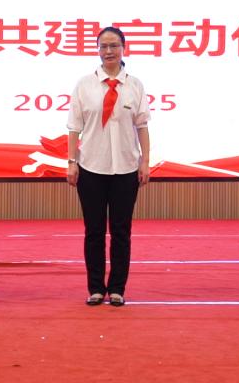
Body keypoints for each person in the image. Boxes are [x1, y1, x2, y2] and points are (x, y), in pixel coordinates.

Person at [66, 27, 151, 307]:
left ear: (124, 48)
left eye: (114, 45)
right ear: (97, 50)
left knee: (121, 231)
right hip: (91, 166)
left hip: (126, 168)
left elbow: (142, 126)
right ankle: (95, 288)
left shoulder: (134, 85)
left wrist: (145, 161)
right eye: (103, 46)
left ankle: (116, 288)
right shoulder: (84, 85)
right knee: (93, 231)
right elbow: (74, 127)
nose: (109, 51)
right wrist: (71, 162)